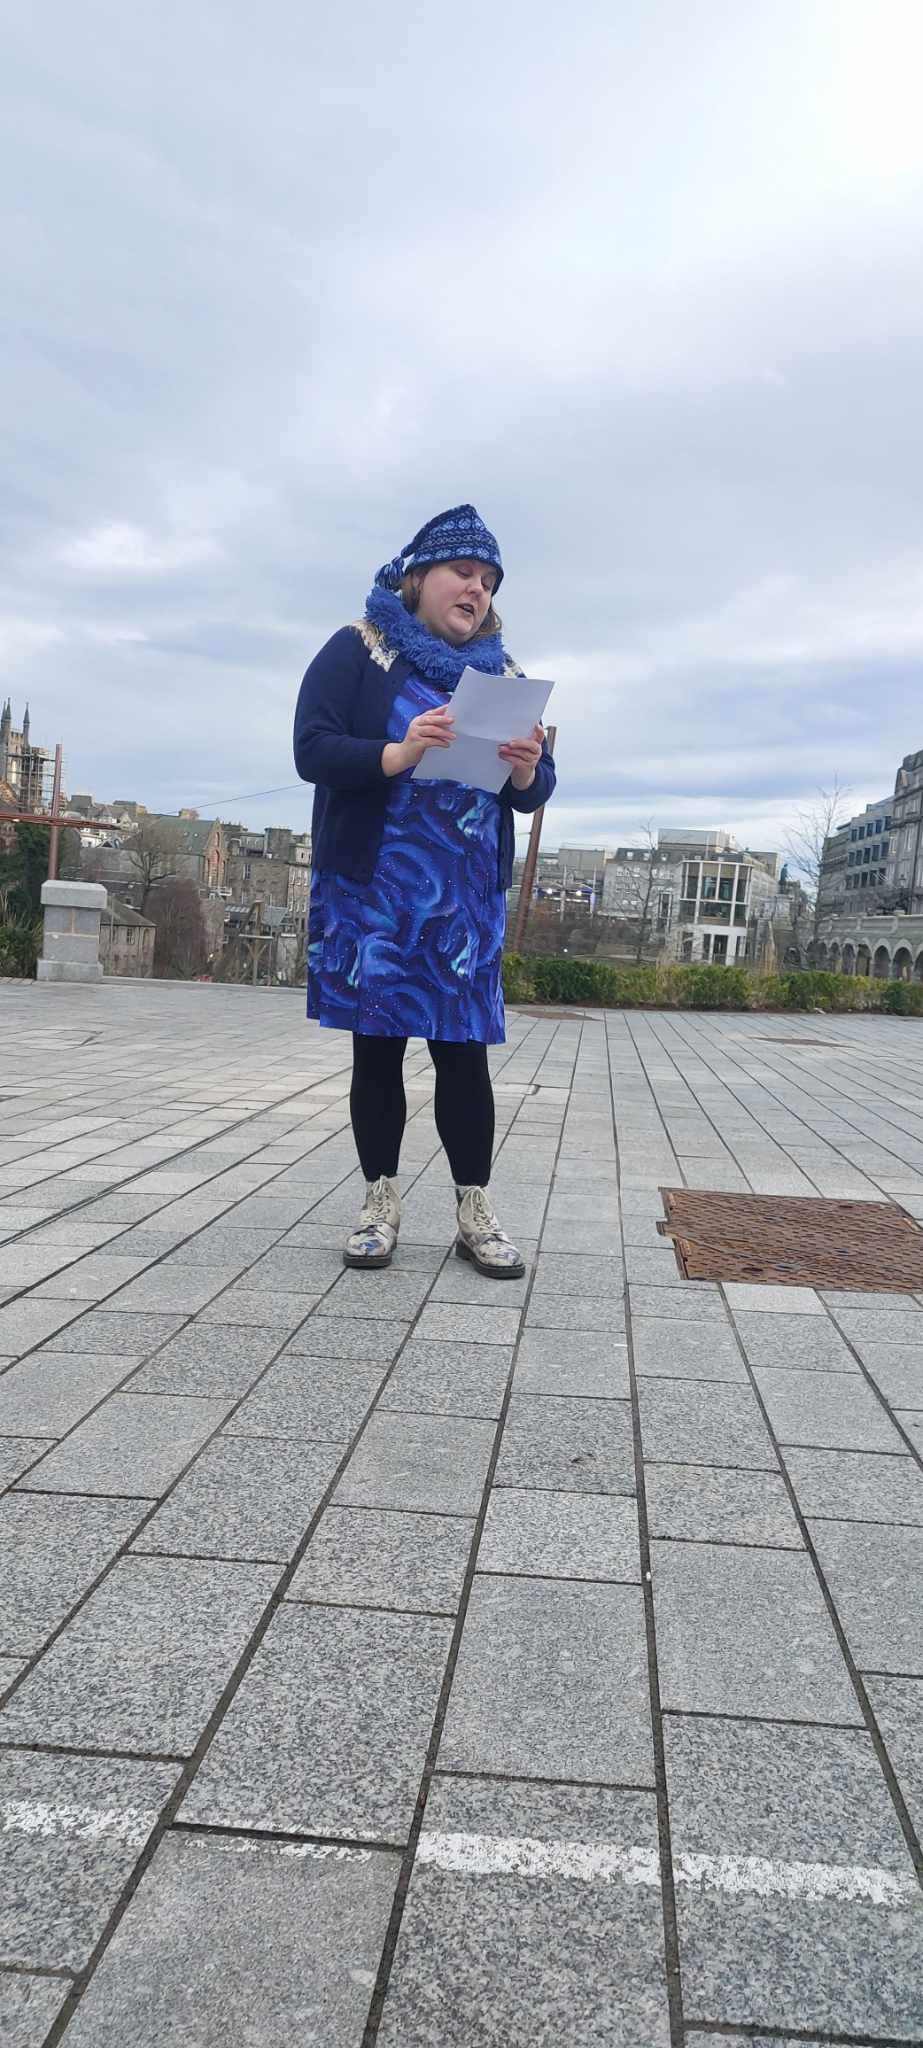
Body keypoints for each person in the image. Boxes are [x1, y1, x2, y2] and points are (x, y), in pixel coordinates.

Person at [293, 503, 555, 1278]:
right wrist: (399, 751)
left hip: (462, 903)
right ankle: (378, 1201)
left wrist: (523, 770)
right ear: (417, 578)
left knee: (463, 1058)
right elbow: (312, 747)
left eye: (487, 580)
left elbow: (534, 787)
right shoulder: (360, 649)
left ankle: (473, 1210)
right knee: (376, 1053)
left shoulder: (502, 675)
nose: (475, 590)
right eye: (461, 573)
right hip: (373, 893)